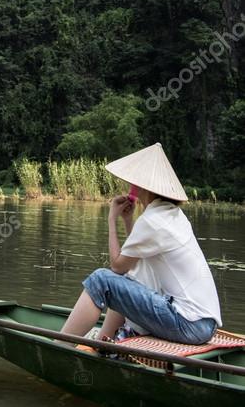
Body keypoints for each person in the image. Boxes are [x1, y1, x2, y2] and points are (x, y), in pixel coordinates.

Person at [61, 142, 222, 345]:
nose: (131, 187)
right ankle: (104, 340)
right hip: (204, 325)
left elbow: (117, 266)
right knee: (130, 280)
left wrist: (111, 220)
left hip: (187, 324)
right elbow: (136, 259)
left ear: (144, 186)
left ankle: (60, 344)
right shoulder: (172, 214)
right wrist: (128, 221)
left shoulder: (152, 220)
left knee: (101, 280)